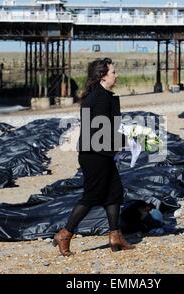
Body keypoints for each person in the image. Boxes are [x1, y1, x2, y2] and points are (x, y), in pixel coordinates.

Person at [52, 58, 135, 256]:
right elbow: (99, 130)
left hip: (100, 153)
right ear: (102, 76)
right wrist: (128, 137)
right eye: (113, 72)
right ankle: (65, 234)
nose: (116, 75)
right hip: (95, 155)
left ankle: (115, 236)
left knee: (114, 193)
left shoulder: (100, 95)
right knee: (91, 196)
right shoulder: (99, 98)